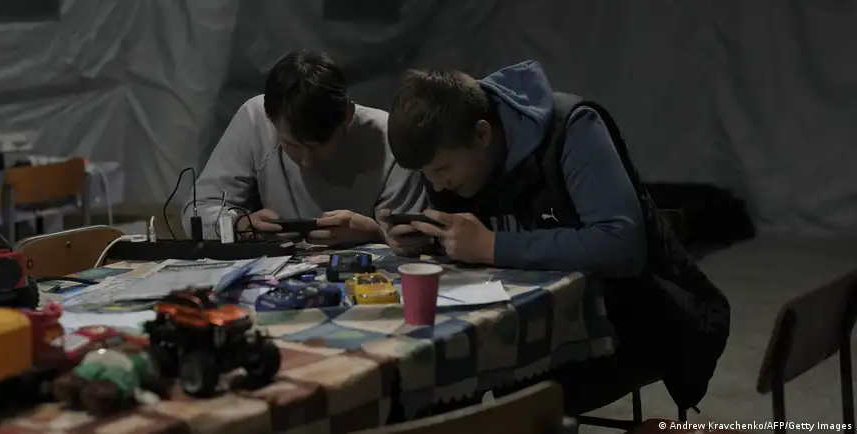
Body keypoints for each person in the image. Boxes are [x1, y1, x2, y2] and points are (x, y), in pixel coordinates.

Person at [381, 61, 730, 415]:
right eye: (426, 174)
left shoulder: (573, 130)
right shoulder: (456, 152)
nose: (437, 185)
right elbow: (465, 236)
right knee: (423, 379)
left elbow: (621, 245)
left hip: (636, 316)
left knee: (520, 391)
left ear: (482, 134)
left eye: (442, 169)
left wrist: (492, 246)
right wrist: (426, 238)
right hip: (520, 320)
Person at [185, 50, 425, 247]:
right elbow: (197, 212)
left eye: (319, 146)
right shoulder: (256, 119)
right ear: (270, 119)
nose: (307, 161)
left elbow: (412, 241)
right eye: (292, 145)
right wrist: (240, 225)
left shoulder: (388, 137)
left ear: (347, 116)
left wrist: (372, 233)